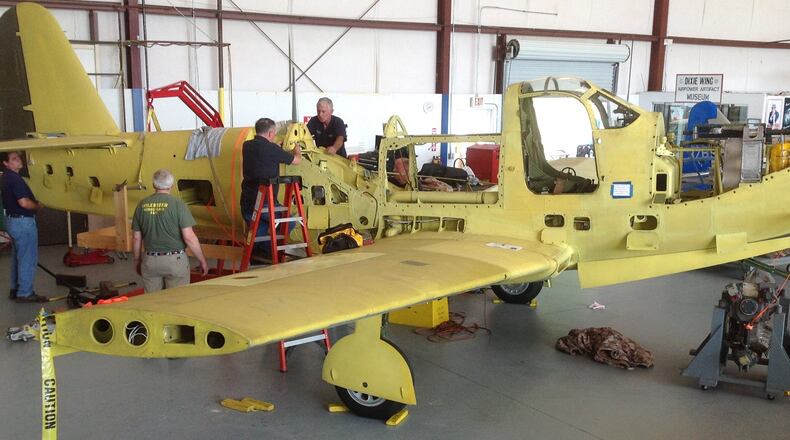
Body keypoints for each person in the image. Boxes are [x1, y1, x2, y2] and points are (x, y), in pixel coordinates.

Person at [132, 169, 208, 292]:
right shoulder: (179, 204)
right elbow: (189, 237)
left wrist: (137, 260)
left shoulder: (142, 205)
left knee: (152, 302)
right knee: (176, 301)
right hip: (175, 261)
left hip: (150, 260)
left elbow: (136, 238)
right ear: (172, 186)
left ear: (154, 185)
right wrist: (202, 260)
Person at [240, 118, 301, 258]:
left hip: (248, 202)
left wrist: (277, 149)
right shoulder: (272, 149)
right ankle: (271, 253)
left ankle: (259, 256)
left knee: (259, 229)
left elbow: (264, 155)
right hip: (265, 203)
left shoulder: (246, 146)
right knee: (289, 222)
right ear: (271, 133)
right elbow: (297, 161)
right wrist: (297, 151)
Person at [1, 151, 47, 303]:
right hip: (22, 222)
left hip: (12, 221)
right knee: (27, 258)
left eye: (18, 157)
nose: (19, 160)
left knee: (18, 257)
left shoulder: (6, 177)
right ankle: (25, 293)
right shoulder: (15, 179)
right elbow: (24, 202)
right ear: (6, 163)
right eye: (14, 159)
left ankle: (15, 289)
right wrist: (38, 206)